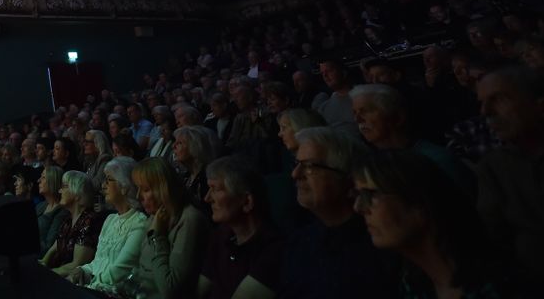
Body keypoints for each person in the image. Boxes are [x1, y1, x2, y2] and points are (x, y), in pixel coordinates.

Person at [353, 149, 519, 298]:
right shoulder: (412, 286)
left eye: (371, 195)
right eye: (358, 195)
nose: (358, 207)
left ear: (420, 204)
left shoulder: (500, 287)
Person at [474, 66, 544, 291]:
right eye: (482, 102)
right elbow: (492, 240)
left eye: (499, 99)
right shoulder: (494, 167)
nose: (485, 111)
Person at [279, 127, 399, 298]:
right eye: (297, 164)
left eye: (309, 166)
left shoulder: (382, 248)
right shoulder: (299, 241)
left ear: (349, 181)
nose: (295, 174)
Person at [349, 84, 475, 195]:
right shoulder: (372, 162)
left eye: (366, 111)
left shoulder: (438, 161)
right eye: (355, 113)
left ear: (398, 117)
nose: (358, 119)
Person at [197, 156, 284, 299]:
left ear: (247, 201)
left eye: (215, 189)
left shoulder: (273, 250)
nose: (207, 198)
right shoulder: (221, 235)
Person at [131, 156, 210, 299]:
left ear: (164, 189)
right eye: (138, 189)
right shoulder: (154, 216)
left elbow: (170, 289)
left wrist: (157, 237)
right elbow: (143, 271)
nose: (138, 196)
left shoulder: (190, 220)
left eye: (145, 189)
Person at [69, 156, 147, 293]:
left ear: (124, 186)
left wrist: (90, 279)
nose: (103, 185)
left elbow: (120, 270)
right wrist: (82, 270)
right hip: (95, 287)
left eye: (109, 180)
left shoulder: (140, 223)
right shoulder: (110, 219)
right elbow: (98, 261)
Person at [42, 169, 103, 274]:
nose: (60, 191)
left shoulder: (90, 221)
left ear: (77, 193)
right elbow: (52, 251)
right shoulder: (68, 220)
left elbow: (77, 265)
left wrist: (48, 274)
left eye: (64, 186)